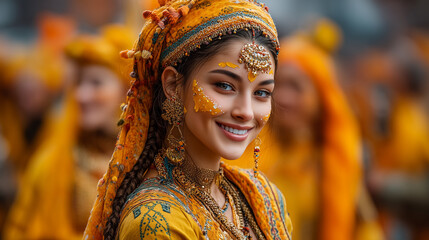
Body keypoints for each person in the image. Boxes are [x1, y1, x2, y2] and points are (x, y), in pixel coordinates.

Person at [83, 0, 292, 239]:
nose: (246, 111)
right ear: (173, 85)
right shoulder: (154, 220)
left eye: (261, 93)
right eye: (224, 86)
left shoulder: (265, 199)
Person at [229, 33, 364, 240]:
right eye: (277, 85)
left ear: (322, 98)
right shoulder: (245, 147)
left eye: (296, 87)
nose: (283, 97)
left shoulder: (335, 164)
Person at [3, 25, 132, 239]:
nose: (81, 94)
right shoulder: (50, 163)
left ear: (126, 90)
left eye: (96, 83)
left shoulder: (149, 163)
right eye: (79, 83)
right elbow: (19, 230)